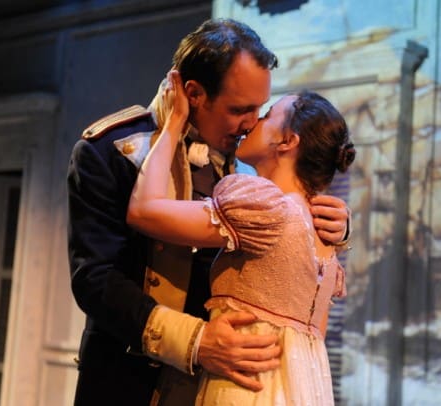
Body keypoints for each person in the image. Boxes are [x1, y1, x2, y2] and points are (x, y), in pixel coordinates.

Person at [67, 18, 350, 405]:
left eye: (260, 110)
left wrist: (330, 224)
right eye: (240, 109)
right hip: (128, 385)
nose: (251, 123)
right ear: (194, 93)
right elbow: (94, 279)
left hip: (217, 384)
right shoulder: (107, 150)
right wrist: (195, 341)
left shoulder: (245, 165)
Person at [127, 70, 356, 405]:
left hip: (246, 389)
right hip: (301, 390)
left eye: (266, 115)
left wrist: (174, 122)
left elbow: (144, 211)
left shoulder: (266, 209)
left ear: (287, 141)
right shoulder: (325, 236)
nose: (252, 123)